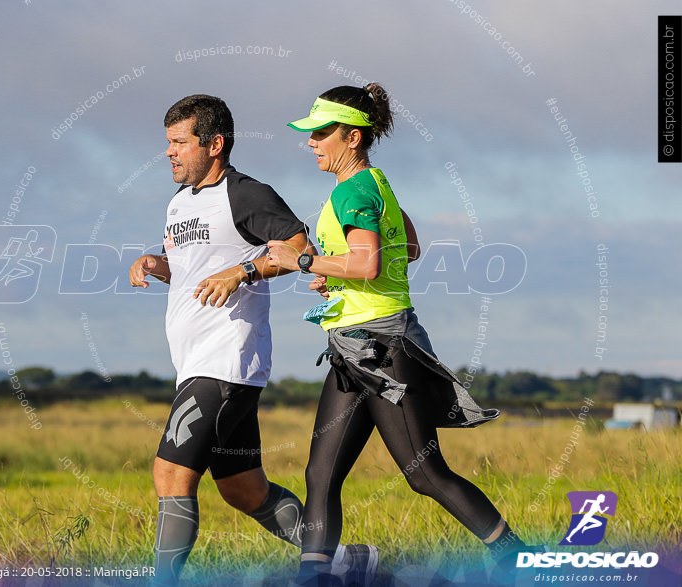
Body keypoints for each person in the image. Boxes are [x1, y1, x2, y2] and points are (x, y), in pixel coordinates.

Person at [267, 84, 531, 586]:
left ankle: (518, 556)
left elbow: (367, 263)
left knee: (424, 474)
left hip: (383, 348)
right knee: (321, 476)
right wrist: (333, 270)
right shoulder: (376, 183)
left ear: (352, 136)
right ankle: (314, 577)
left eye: (321, 133)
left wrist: (300, 260)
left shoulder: (352, 190)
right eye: (310, 134)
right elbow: (406, 246)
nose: (311, 142)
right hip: (355, 347)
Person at [129, 94, 317, 586]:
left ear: (214, 144)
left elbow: (301, 252)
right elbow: (197, 273)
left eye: (178, 142)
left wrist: (244, 270)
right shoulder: (177, 205)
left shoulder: (247, 194)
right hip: (196, 363)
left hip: (226, 360)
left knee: (170, 476)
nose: (169, 153)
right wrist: (157, 265)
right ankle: (341, 558)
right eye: (166, 143)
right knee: (243, 490)